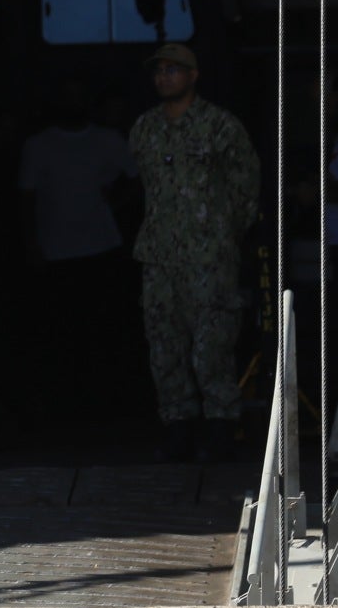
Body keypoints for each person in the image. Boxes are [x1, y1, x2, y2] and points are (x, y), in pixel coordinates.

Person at [128, 43, 261, 462]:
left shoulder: (220, 126)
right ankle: (178, 428)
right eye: (159, 71)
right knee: (164, 343)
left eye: (174, 70)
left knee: (211, 343)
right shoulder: (145, 129)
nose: (164, 77)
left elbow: (246, 188)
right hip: (158, 255)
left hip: (209, 257)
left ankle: (220, 427)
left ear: (193, 75)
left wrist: (221, 236)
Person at [17, 75, 142, 415]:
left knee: (103, 329)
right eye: (66, 95)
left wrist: (114, 203)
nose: (73, 102)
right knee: (61, 333)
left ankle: (105, 403)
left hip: (101, 247)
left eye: (78, 95)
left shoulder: (107, 140)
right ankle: (65, 407)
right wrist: (32, 245)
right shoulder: (38, 145)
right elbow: (26, 198)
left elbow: (138, 178)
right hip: (56, 252)